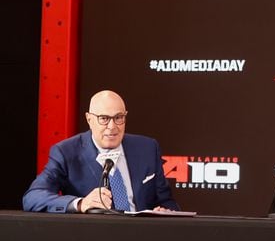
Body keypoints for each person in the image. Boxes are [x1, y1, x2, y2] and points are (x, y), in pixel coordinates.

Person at [23, 90, 179, 213]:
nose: (112, 126)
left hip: (143, 238)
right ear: (89, 119)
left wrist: (164, 211)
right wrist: (81, 204)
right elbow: (33, 197)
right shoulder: (66, 152)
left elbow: (167, 201)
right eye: (104, 118)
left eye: (118, 117)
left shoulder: (147, 148)